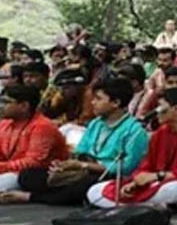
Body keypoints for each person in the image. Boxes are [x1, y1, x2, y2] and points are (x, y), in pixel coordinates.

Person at [1, 78, 148, 205]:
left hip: (106, 176)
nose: (92, 102)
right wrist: (64, 165)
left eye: (98, 99)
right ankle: (52, 195)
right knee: (28, 175)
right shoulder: (96, 124)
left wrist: (84, 165)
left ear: (115, 102)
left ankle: (32, 197)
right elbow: (81, 152)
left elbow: (126, 167)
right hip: (82, 171)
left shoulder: (134, 131)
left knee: (84, 186)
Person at [88, 87, 177, 209]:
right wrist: (135, 181)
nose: (156, 112)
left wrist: (158, 176)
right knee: (95, 191)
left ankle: (136, 205)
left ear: (176, 109)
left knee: (173, 190)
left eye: (160, 108)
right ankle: (144, 206)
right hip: (154, 183)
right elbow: (147, 164)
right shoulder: (161, 133)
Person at [0, 86, 68, 192]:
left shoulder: (43, 126)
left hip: (35, 175)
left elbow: (33, 163)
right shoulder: (5, 124)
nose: (1, 106)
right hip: (9, 170)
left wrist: (2, 167)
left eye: (5, 102)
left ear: (24, 106)